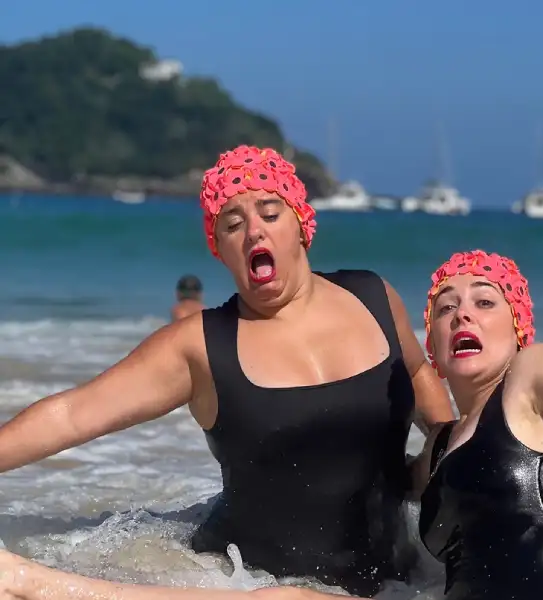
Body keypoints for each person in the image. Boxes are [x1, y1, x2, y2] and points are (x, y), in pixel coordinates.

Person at [0, 250, 543, 600]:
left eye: (484, 301)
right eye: (445, 305)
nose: (462, 313)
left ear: (519, 326)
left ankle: (36, 585)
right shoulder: (442, 446)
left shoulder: (538, 377)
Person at [0, 145, 454, 596]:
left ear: (301, 224)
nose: (254, 231)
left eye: (270, 214)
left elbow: (417, 373)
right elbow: (74, 414)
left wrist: (446, 454)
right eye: (233, 225)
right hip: (241, 582)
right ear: (219, 248)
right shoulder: (201, 345)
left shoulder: (373, 298)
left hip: (401, 583)